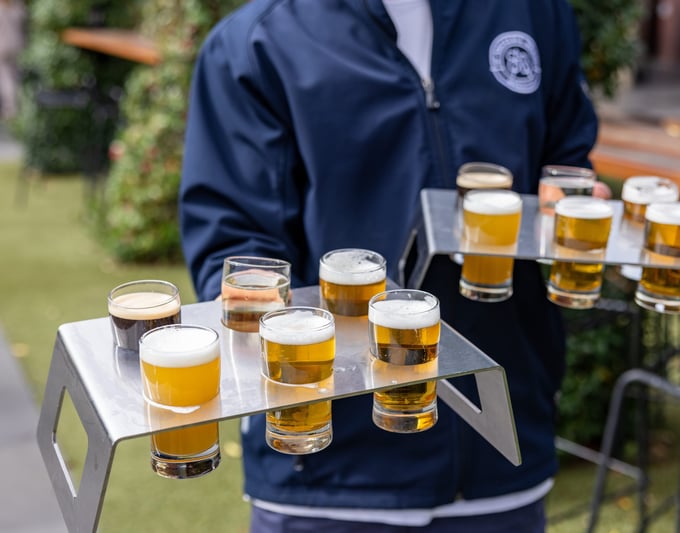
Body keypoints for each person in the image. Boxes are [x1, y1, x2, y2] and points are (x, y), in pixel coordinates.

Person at [180, 1, 604, 531]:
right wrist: (250, 296)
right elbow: (234, 237)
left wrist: (575, 204)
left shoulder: (535, 13)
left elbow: (564, 160)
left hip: (502, 445)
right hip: (327, 471)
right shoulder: (255, 41)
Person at [0, 0, 26, 120]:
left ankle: (10, 108)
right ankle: (13, 106)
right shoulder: (17, 6)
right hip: (15, 45)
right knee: (12, 75)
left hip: (3, 46)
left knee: (6, 77)